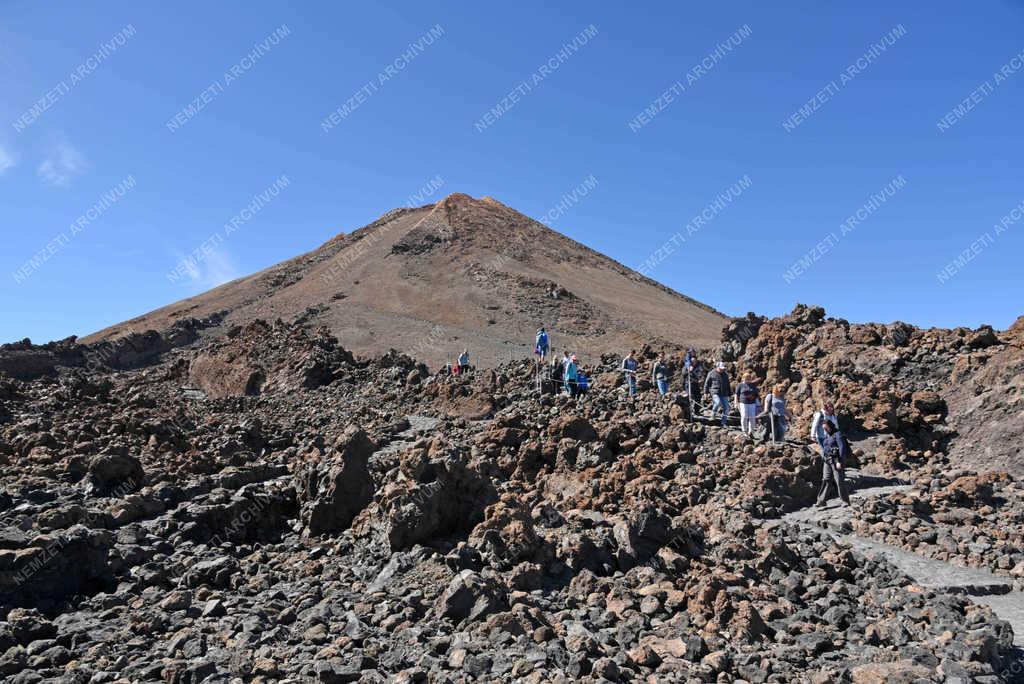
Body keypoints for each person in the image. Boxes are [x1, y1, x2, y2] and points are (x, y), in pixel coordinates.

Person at [816, 420, 851, 507]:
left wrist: (839, 461)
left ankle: (845, 501)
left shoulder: (838, 434)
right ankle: (821, 501)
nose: (825, 430)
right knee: (826, 480)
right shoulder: (827, 436)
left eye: (826, 428)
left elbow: (842, 448)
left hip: (836, 460)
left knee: (839, 481)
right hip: (827, 461)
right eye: (824, 428)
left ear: (830, 426)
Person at [703, 362, 731, 427]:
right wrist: (705, 393)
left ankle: (723, 422)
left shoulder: (725, 375)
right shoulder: (711, 373)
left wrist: (729, 393)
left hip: (724, 393)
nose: (722, 370)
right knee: (717, 402)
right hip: (715, 392)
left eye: (723, 369)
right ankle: (713, 415)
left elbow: (728, 384)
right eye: (721, 368)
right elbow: (707, 383)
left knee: (726, 408)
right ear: (717, 367)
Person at [734, 371, 760, 436]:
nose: (747, 380)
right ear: (743, 378)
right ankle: (744, 431)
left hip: (752, 403)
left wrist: (757, 403)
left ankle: (751, 432)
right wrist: (736, 403)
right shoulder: (740, 385)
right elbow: (736, 394)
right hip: (743, 402)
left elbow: (756, 394)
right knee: (744, 416)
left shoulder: (753, 385)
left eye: (749, 378)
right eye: (746, 378)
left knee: (752, 417)